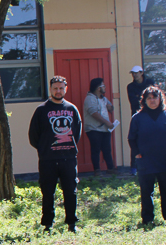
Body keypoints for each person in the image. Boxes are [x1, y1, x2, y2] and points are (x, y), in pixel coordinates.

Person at [28, 76, 82, 232]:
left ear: (66, 89)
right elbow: (33, 136)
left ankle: (72, 224)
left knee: (71, 192)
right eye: (55, 88)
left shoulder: (72, 109)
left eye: (61, 88)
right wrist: (45, 149)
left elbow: (76, 133)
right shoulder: (41, 110)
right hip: (48, 160)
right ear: (50, 89)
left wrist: (67, 146)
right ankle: (47, 225)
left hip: (68, 158)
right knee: (48, 193)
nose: (58, 91)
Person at [128, 86, 166, 225]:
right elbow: (131, 138)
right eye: (149, 98)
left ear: (160, 99)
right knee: (147, 192)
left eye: (155, 97)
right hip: (146, 161)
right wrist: (137, 154)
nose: (152, 100)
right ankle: (147, 219)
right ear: (144, 101)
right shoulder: (138, 118)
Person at [127, 65, 157, 175]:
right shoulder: (130, 86)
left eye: (136, 73)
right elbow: (134, 102)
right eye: (133, 73)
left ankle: (152, 165)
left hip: (151, 116)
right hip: (137, 116)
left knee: (152, 140)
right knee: (134, 141)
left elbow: (154, 98)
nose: (135, 75)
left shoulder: (150, 82)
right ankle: (133, 168)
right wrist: (145, 99)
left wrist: (141, 98)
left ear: (141, 73)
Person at [82, 77, 115, 174]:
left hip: (105, 129)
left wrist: (110, 107)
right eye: (103, 86)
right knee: (95, 149)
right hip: (93, 129)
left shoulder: (104, 98)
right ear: (98, 88)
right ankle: (97, 170)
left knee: (107, 149)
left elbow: (111, 109)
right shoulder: (89, 98)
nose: (105, 87)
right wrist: (107, 122)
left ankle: (111, 169)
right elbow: (93, 113)